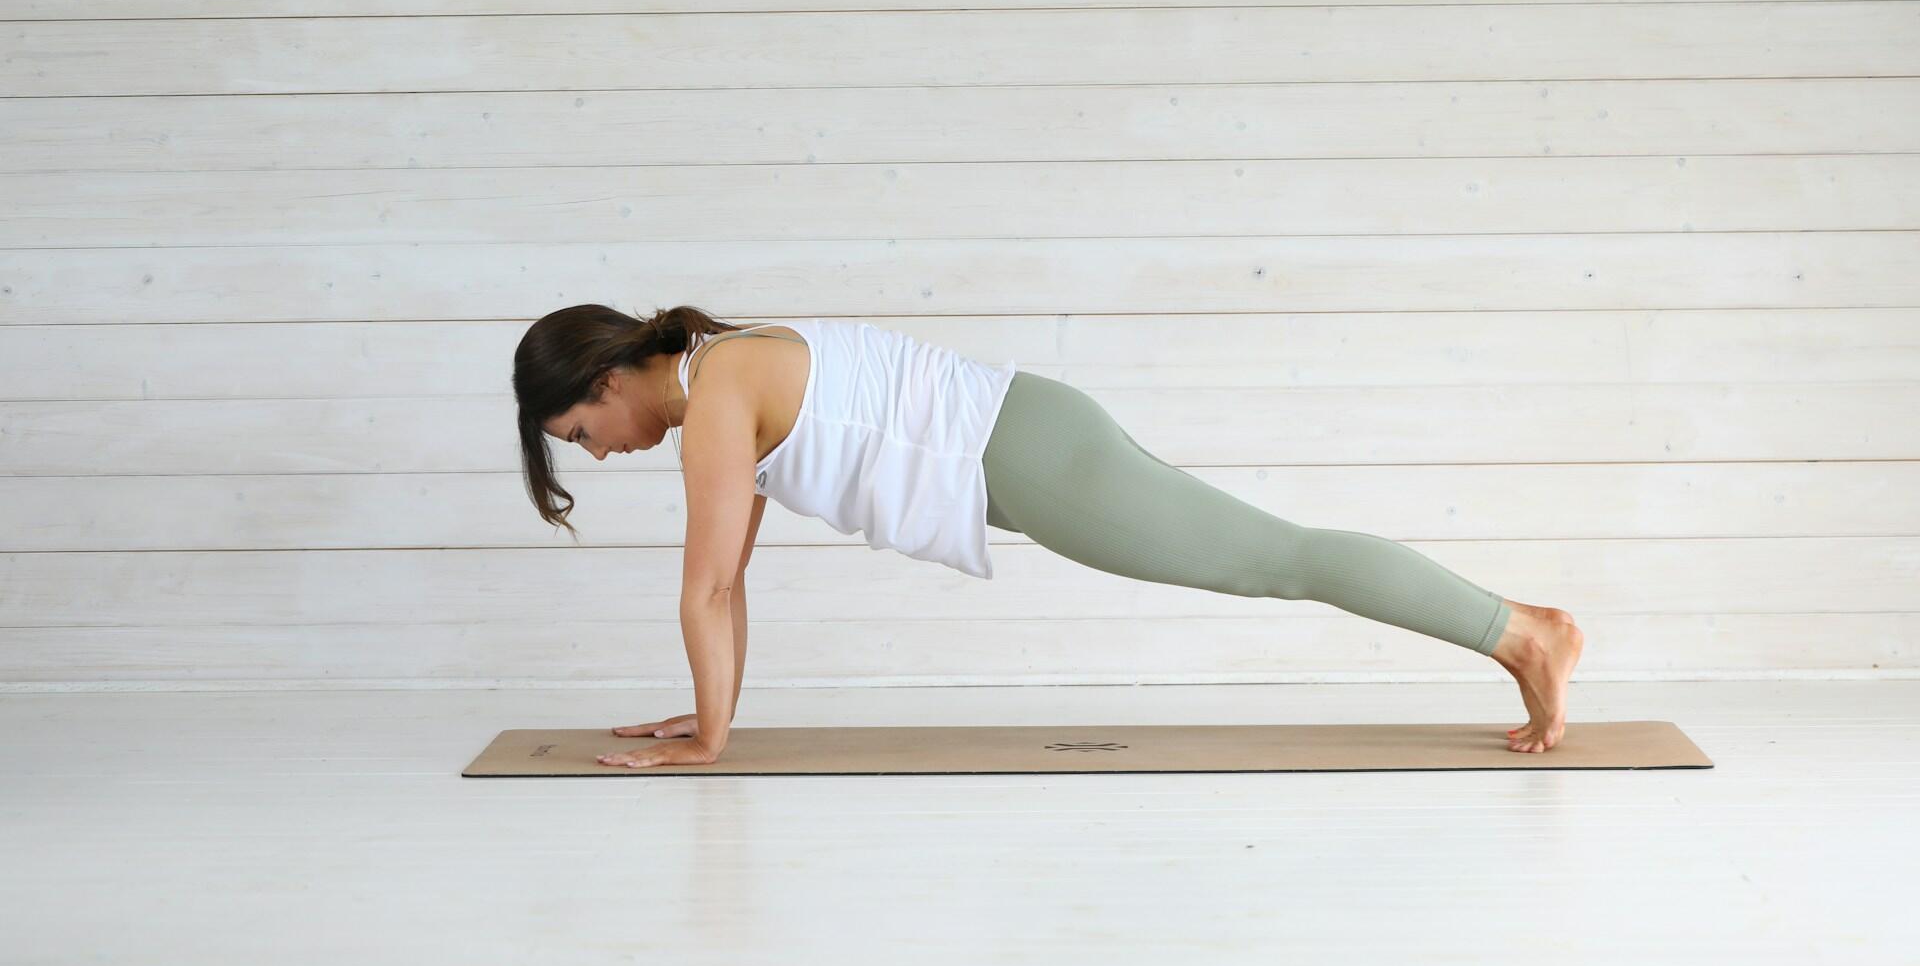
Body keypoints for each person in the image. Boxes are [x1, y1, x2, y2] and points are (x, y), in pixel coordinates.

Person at [515, 304, 1584, 764]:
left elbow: (703, 589)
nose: (600, 452)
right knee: (1274, 555)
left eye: (582, 430)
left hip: (1028, 454)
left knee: (1278, 558)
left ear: (608, 381)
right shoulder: (723, 372)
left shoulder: (714, 398)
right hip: (1029, 439)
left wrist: (709, 741)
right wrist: (714, 718)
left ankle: (1524, 633)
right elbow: (730, 580)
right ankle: (1521, 626)